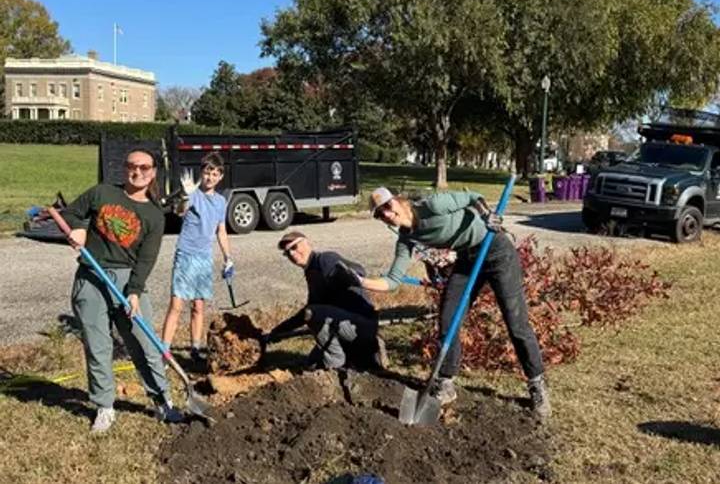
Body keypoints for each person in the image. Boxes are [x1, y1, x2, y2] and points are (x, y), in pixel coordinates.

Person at [359, 187, 551, 419]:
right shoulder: (406, 239)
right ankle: (446, 383)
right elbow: (392, 281)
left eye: (388, 207)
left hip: (497, 250)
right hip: (467, 260)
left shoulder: (432, 206)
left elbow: (472, 196)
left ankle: (537, 383)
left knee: (515, 321)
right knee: (448, 319)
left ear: (398, 201)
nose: (387, 215)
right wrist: (359, 281)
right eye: (380, 214)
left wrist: (485, 214)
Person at [61, 148, 183, 432]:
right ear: (124, 168)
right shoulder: (103, 193)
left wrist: (135, 291)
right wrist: (77, 229)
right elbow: (71, 213)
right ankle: (105, 406)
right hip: (91, 276)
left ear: (153, 172)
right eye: (131, 166)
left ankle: (163, 401)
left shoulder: (154, 214)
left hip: (128, 281)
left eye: (144, 167)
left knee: (146, 344)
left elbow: (147, 258)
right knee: (98, 345)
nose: (137, 171)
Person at [263, 231, 387, 372]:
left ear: (306, 243)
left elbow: (360, 271)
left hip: (360, 325)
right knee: (312, 363)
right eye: (287, 253)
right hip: (343, 325)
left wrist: (349, 275)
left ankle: (336, 363)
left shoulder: (325, 260)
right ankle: (350, 355)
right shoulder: (311, 272)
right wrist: (277, 331)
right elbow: (306, 312)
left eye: (294, 247)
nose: (291, 254)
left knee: (314, 314)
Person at [161, 153, 234, 362]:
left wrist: (228, 258)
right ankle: (164, 352)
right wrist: (185, 196)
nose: (209, 177)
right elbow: (180, 212)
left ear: (220, 177)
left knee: (198, 306)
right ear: (201, 173)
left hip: (204, 257)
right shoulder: (193, 194)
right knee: (176, 305)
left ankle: (195, 349)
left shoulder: (221, 201)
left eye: (214, 174)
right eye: (206, 172)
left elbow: (221, 230)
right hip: (186, 254)